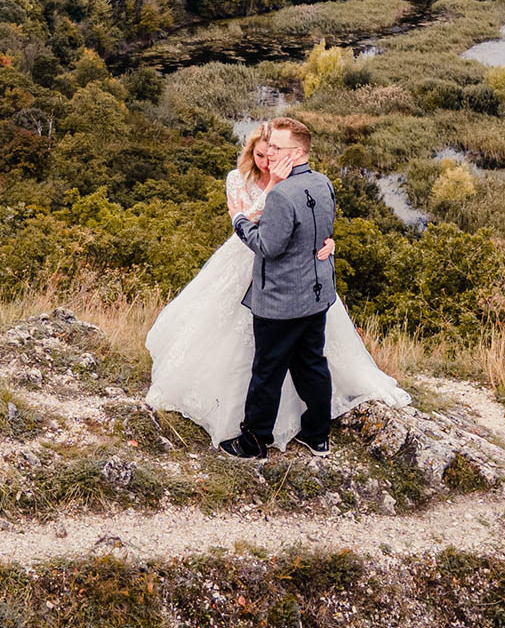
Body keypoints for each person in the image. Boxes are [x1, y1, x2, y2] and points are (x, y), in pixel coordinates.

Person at [144, 119, 410, 457]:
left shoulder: (282, 194)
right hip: (315, 296)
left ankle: (254, 441)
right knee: (312, 364)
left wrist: (239, 220)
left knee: (267, 371)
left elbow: (267, 247)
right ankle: (317, 436)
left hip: (280, 298)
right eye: (268, 148)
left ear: (297, 152)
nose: (270, 153)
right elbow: (318, 227)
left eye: (277, 148)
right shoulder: (322, 182)